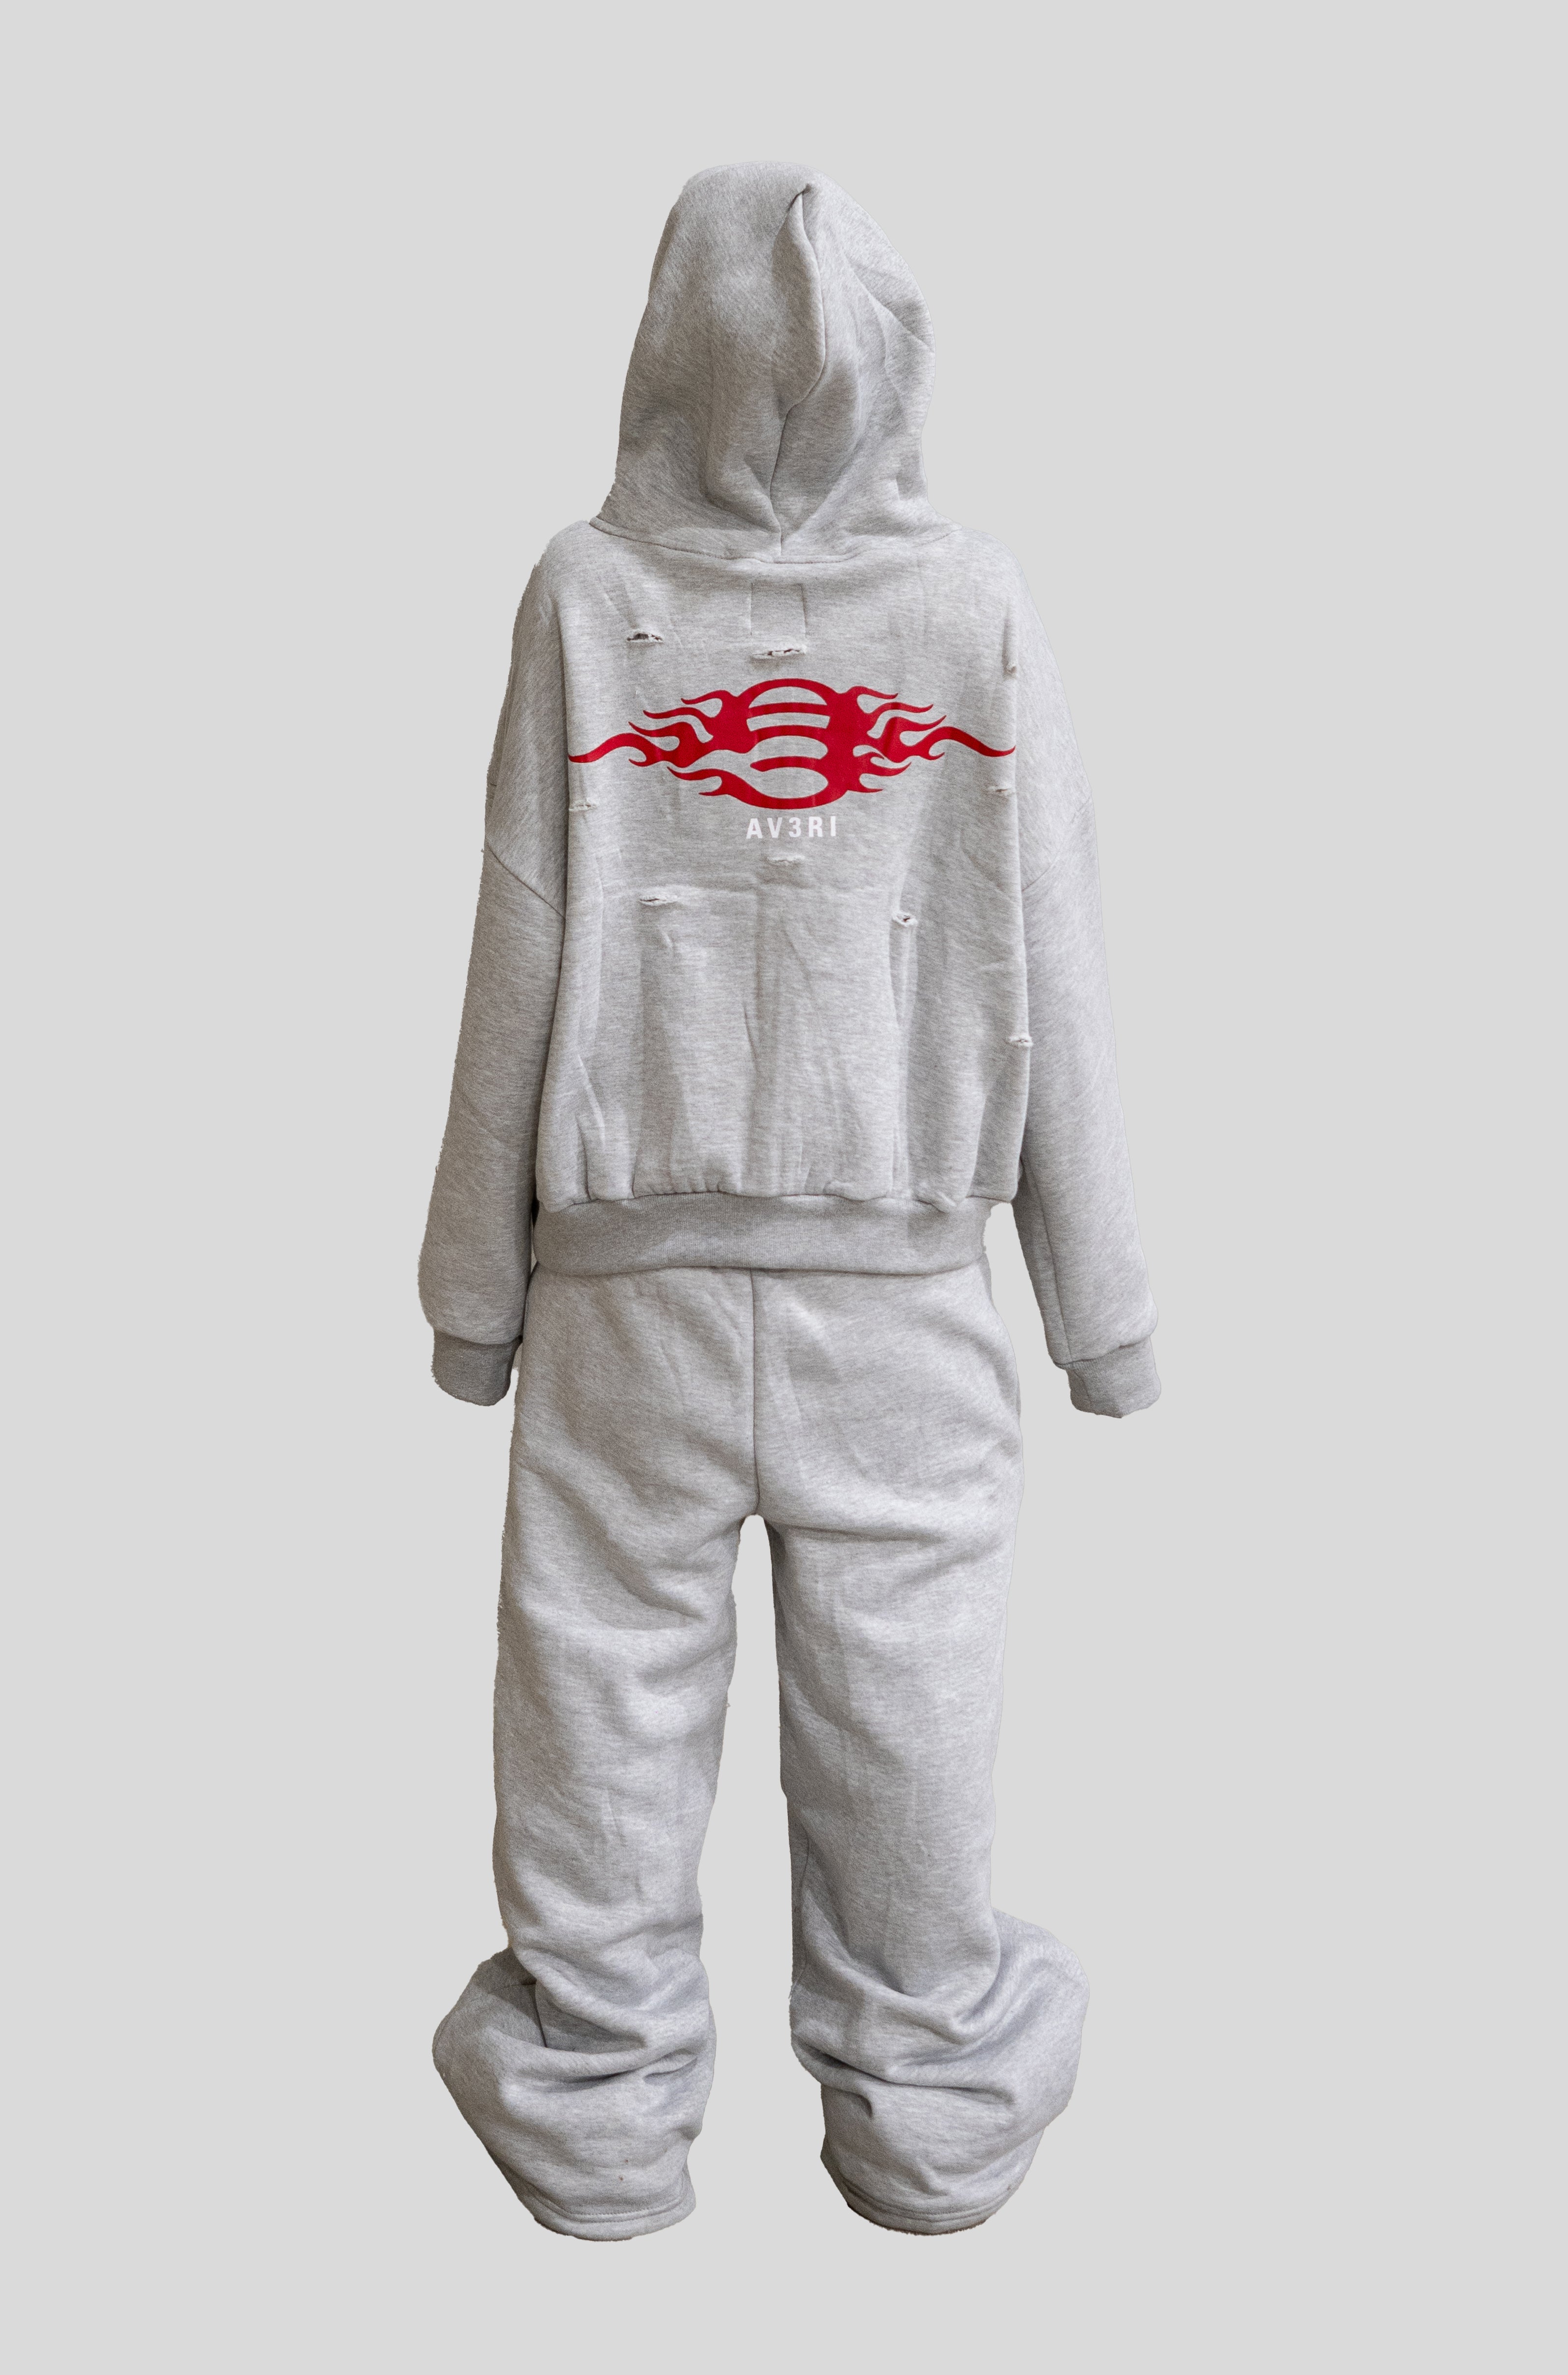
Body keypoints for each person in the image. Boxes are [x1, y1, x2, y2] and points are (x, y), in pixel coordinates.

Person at [419, 161, 1159, 2240]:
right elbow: (1054, 956)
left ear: (662, 348)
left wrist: (476, 1292)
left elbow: (518, 938)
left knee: (597, 1715)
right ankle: (930, 2115)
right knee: (906, 1722)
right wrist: (1104, 1306)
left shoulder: (586, 594)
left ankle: (595, 2118)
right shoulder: (972, 608)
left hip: (625, 1305)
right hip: (900, 1302)